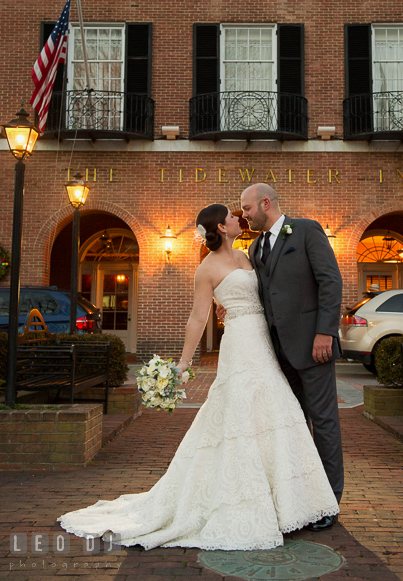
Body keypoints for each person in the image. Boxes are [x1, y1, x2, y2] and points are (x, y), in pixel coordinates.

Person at [58, 204, 339, 551]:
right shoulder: (206, 268)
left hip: (264, 344)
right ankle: (243, 502)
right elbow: (196, 317)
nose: (241, 218)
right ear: (221, 227)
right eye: (234, 217)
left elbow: (270, 293)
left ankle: (291, 503)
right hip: (239, 344)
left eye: (242, 212)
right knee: (241, 415)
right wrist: (183, 363)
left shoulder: (249, 254)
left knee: (277, 412)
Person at [221, 183, 344, 531]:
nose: (243, 215)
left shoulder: (306, 230)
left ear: (265, 203)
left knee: (323, 423)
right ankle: (300, 497)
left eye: (246, 208)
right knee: (291, 425)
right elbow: (262, 292)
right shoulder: (257, 245)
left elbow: (330, 281)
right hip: (277, 352)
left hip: (313, 346)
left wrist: (325, 331)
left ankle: (329, 502)